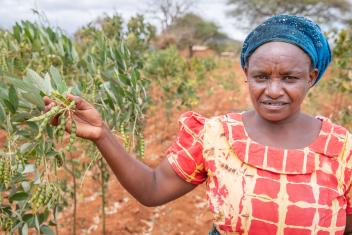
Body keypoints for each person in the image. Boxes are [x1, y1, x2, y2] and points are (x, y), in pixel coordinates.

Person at [44, 15, 352, 234]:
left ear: (311, 77)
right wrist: (103, 135)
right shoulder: (217, 135)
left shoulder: (341, 149)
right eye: (261, 77)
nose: (273, 90)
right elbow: (152, 189)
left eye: (289, 78)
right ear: (246, 74)